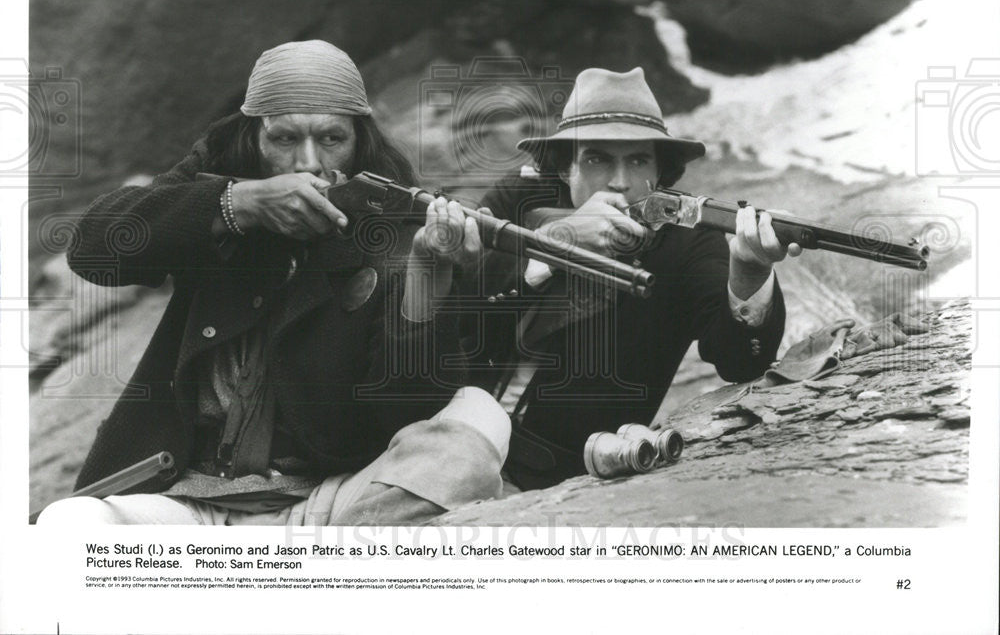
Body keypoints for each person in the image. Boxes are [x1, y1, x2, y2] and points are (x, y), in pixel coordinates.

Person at [37, 40, 510, 526]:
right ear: (252, 142)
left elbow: (404, 412)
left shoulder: (393, 231)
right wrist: (239, 203)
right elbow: (94, 250)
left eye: (331, 138)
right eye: (283, 139)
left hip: (333, 500)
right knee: (68, 526)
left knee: (477, 416)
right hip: (189, 505)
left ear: (360, 141)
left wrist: (428, 279)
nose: (307, 162)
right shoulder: (223, 196)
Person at [455, 67, 795, 491]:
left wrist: (750, 271)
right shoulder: (521, 199)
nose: (620, 181)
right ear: (564, 168)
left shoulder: (690, 241)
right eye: (597, 159)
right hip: (454, 435)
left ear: (660, 172)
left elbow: (741, 362)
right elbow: (458, 312)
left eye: (637, 160)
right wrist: (552, 246)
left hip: (568, 475)